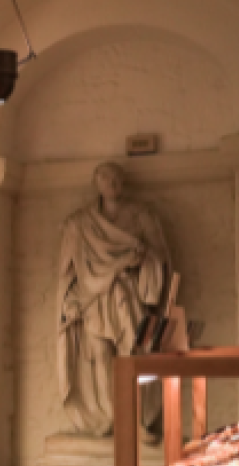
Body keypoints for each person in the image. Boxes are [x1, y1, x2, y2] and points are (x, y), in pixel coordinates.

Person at [56, 162, 170, 436]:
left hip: (127, 298)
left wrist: (141, 259)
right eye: (105, 179)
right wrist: (70, 301)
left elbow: (160, 259)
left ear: (124, 182)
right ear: (96, 184)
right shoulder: (80, 224)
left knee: (130, 356)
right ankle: (110, 417)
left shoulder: (141, 217)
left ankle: (135, 419)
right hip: (94, 300)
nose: (112, 183)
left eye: (117, 178)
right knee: (100, 358)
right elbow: (66, 272)